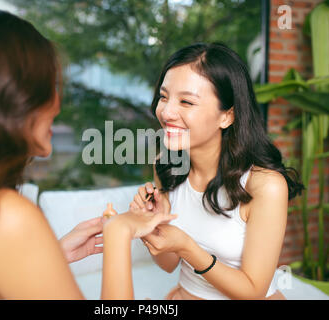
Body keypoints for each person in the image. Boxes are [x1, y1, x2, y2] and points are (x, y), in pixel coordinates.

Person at [0, 7, 176, 299]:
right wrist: (119, 233)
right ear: (12, 99)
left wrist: (53, 255)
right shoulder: (4, 215)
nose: (58, 105)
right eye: (51, 86)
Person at [129, 42, 304, 300]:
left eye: (186, 101)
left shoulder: (264, 186)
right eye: (164, 97)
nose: (166, 112)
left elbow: (252, 291)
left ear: (227, 116)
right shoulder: (167, 167)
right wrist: (152, 227)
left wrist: (188, 247)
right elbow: (168, 264)